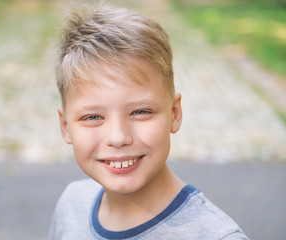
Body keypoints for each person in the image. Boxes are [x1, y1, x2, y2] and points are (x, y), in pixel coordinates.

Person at [49, 4, 249, 240]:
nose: (118, 137)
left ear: (174, 113)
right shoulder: (72, 205)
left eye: (140, 112)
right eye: (93, 117)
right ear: (65, 127)